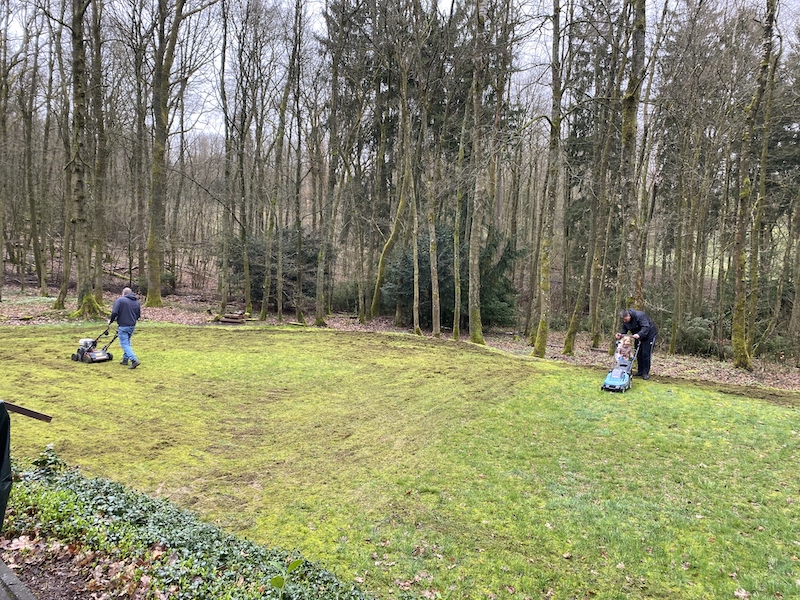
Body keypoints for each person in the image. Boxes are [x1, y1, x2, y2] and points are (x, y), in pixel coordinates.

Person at [616, 308, 657, 379]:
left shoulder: (640, 316)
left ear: (628, 315)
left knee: (645, 353)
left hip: (649, 335)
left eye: (625, 319)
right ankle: (640, 371)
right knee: (638, 353)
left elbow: (646, 327)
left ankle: (645, 372)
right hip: (637, 336)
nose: (624, 321)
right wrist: (621, 335)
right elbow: (624, 329)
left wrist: (639, 334)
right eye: (623, 320)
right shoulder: (625, 321)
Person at [109, 287, 141, 369]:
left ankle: (134, 360)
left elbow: (114, 312)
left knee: (124, 344)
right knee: (127, 342)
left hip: (123, 325)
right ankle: (125, 359)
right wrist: (133, 319)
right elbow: (138, 314)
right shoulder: (136, 301)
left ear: (123, 293)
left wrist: (111, 320)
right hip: (132, 325)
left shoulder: (120, 300)